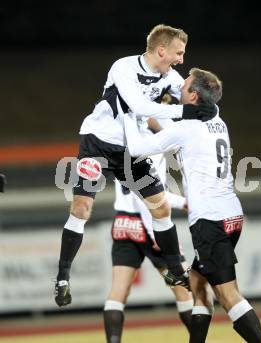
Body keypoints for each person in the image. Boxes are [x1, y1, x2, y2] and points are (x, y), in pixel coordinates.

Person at [54, 24, 215, 307]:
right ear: (161, 50)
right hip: (99, 143)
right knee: (82, 208)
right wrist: (188, 111)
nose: (181, 59)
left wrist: (211, 108)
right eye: (178, 53)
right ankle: (63, 277)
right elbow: (141, 107)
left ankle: (175, 271)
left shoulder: (169, 75)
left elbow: (192, 94)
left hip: (131, 151)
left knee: (161, 207)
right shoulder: (124, 67)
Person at [123, 68, 261, 343]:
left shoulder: (187, 127)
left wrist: (130, 115)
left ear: (193, 95)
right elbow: (176, 132)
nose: (179, 90)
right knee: (198, 286)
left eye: (184, 86)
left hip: (209, 219)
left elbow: (136, 149)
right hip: (231, 215)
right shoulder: (217, 119)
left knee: (229, 296)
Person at [103, 94, 193, 342]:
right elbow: (150, 197)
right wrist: (156, 233)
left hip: (124, 223)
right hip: (148, 223)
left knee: (118, 294)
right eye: (163, 107)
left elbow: (150, 192)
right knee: (185, 291)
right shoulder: (150, 145)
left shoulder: (124, 139)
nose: (167, 114)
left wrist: (182, 202)